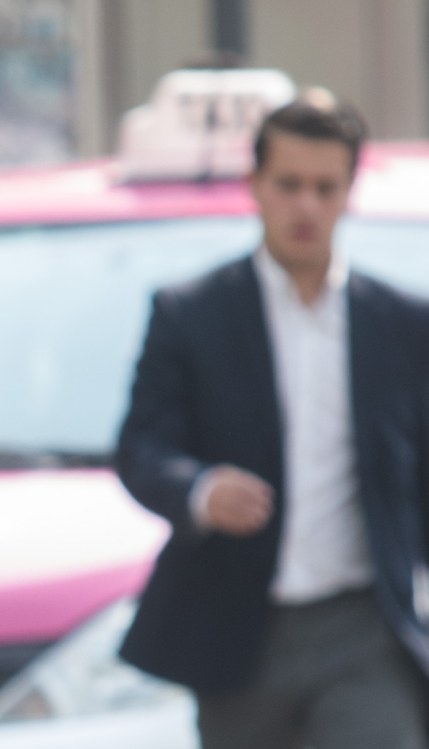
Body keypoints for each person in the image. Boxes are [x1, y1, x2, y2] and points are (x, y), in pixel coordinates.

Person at [117, 91, 429, 749]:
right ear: (254, 185)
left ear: (349, 192)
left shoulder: (402, 325)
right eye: (289, 184)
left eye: (325, 187)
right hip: (238, 632)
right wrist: (201, 490)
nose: (307, 205)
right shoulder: (191, 314)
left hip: (366, 632)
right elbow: (144, 448)